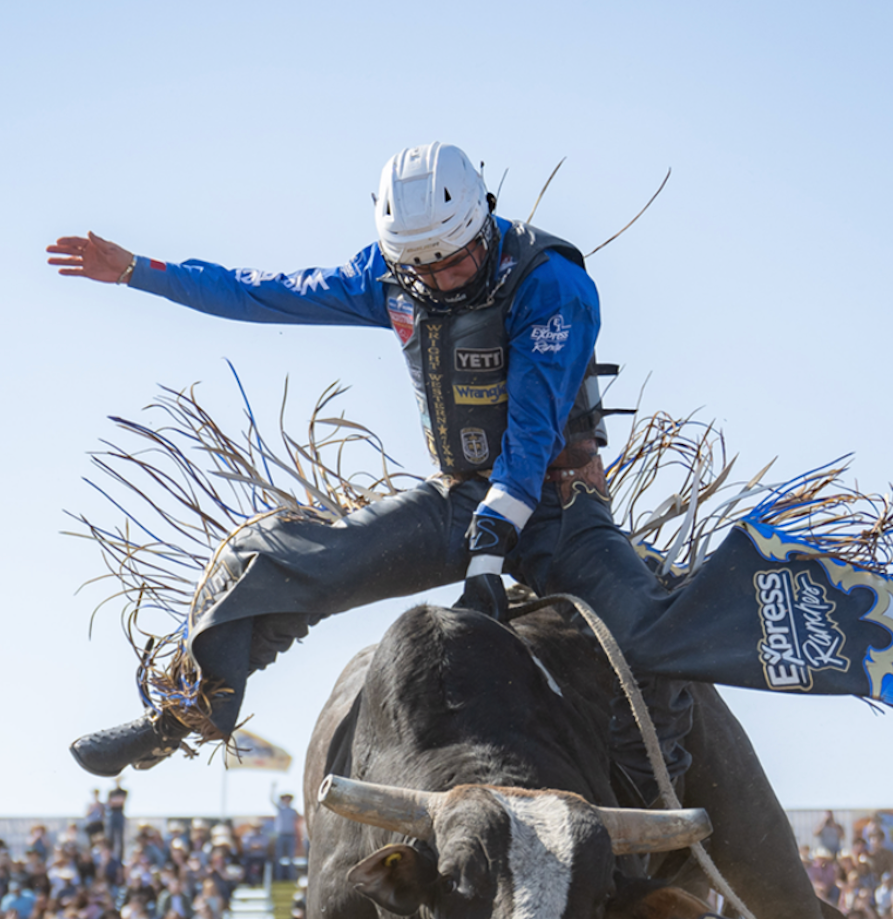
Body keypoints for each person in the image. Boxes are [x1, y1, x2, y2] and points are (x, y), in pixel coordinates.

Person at [49, 142, 788, 781]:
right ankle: (183, 718)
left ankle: (659, 842)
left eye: (455, 260)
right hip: (461, 500)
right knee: (275, 560)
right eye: (422, 268)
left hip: (561, 510)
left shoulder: (552, 284)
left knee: (647, 636)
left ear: (484, 222)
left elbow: (531, 432)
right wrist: (137, 270)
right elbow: (265, 293)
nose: (440, 279)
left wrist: (490, 554)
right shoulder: (388, 276)